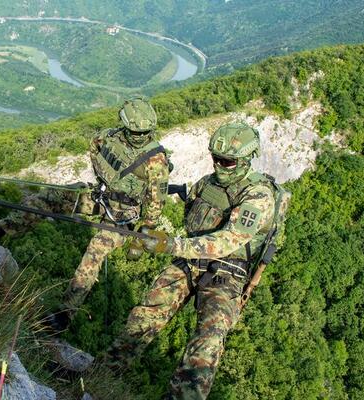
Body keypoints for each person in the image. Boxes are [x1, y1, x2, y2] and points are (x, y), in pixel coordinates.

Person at [108, 122, 284, 399]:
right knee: (147, 312)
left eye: (227, 161)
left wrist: (169, 244)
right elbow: (193, 196)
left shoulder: (258, 196)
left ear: (246, 159)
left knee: (208, 341)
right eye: (215, 158)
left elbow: (226, 240)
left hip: (228, 270)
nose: (219, 165)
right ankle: (103, 376)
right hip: (191, 261)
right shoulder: (210, 182)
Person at [48, 97, 170, 331]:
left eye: (145, 132)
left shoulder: (156, 161)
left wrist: (138, 241)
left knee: (94, 252)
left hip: (123, 218)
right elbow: (93, 148)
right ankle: (2, 229)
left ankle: (64, 314)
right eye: (136, 132)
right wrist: (101, 181)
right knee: (52, 198)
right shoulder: (108, 137)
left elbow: (155, 205)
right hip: (101, 199)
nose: (140, 136)